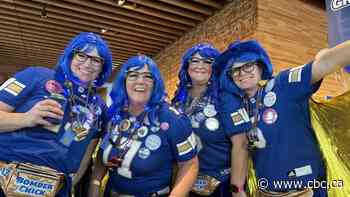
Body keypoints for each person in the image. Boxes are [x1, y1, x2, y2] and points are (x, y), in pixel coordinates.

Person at [217, 39, 350, 197]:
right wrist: (237, 190)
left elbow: (324, 63)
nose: (242, 73)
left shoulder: (282, 84)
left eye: (248, 65)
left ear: (260, 65)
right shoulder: (238, 109)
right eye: (235, 70)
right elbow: (240, 149)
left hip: (307, 191)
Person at [0, 32, 112, 197]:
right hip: (6, 176)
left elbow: (87, 152)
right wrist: (26, 118)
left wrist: (70, 183)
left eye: (96, 60)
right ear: (70, 56)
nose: (88, 64)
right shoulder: (36, 76)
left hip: (53, 188)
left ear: (103, 67)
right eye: (82, 55)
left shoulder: (99, 106)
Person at [88, 55, 198, 197]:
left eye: (147, 76)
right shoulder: (115, 114)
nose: (140, 81)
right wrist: (95, 183)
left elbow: (190, 165)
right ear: (124, 81)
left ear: (155, 83)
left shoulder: (171, 118)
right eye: (133, 75)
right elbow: (104, 151)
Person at [172, 43, 248, 197]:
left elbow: (241, 143)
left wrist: (237, 188)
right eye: (195, 60)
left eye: (207, 61)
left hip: (221, 184)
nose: (200, 65)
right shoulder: (179, 99)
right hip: (184, 180)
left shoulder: (226, 98)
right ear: (187, 66)